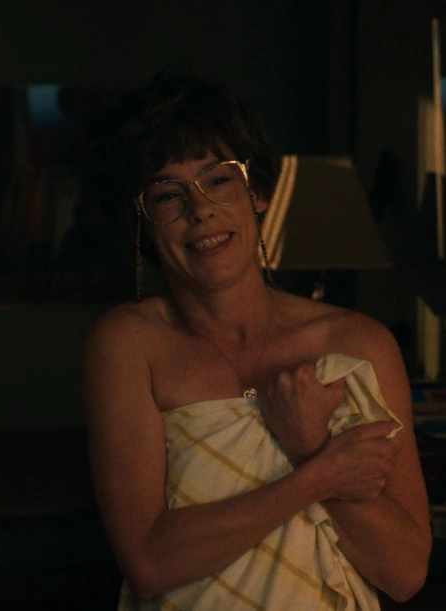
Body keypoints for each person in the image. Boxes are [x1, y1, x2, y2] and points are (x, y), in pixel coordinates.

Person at [80, 69, 431, 610]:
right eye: (168, 195)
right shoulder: (128, 346)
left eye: (219, 180)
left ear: (258, 191)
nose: (201, 209)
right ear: (143, 222)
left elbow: (405, 574)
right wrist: (316, 472)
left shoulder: (358, 344)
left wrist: (308, 444)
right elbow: (149, 563)